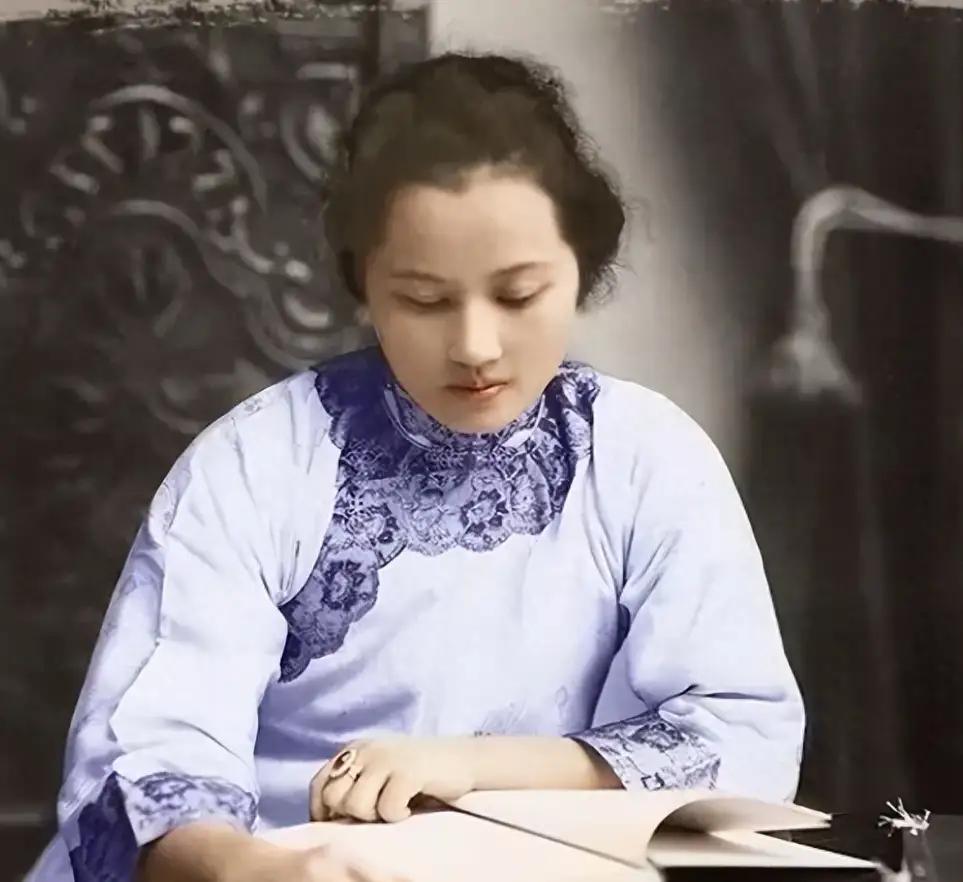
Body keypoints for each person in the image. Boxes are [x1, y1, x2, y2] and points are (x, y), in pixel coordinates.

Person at [26, 51, 805, 882]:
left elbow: (737, 735)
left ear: (581, 268)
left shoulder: (648, 455)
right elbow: (148, 753)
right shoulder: (255, 464)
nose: (474, 346)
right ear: (363, 285)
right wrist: (253, 872)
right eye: (424, 300)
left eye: (517, 295)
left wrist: (473, 765)